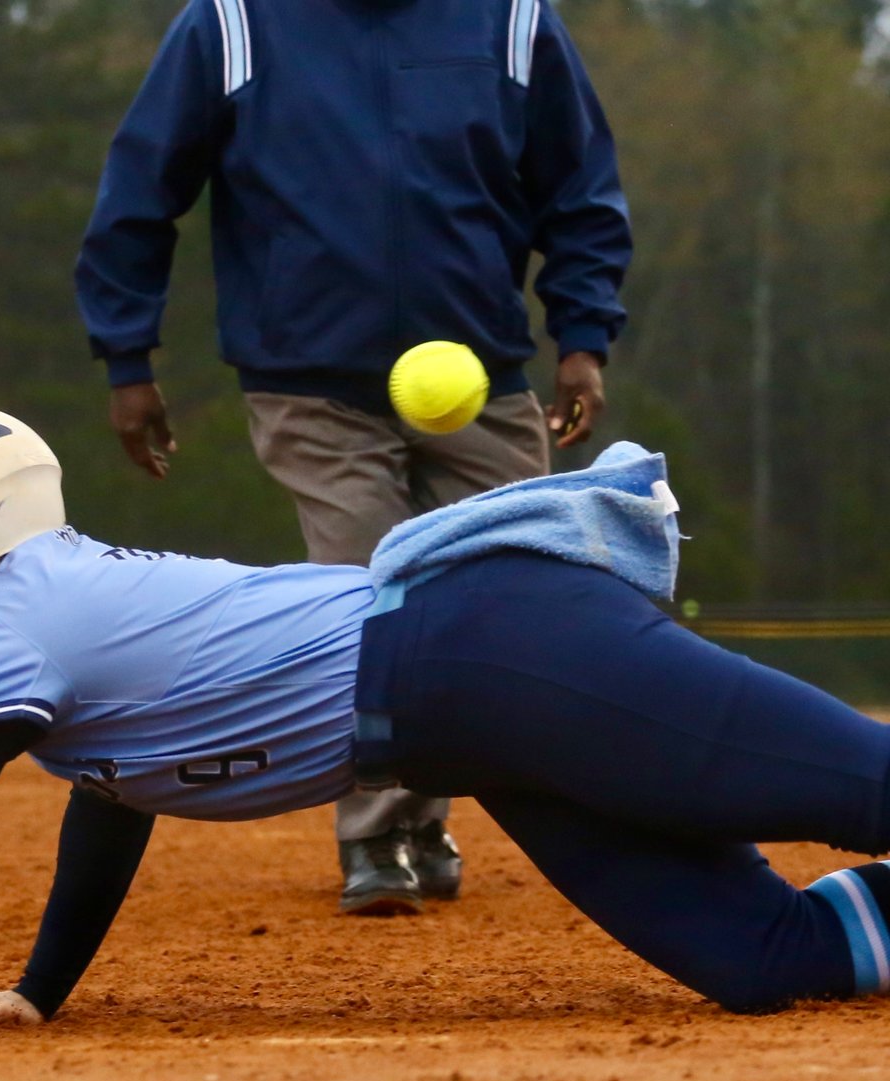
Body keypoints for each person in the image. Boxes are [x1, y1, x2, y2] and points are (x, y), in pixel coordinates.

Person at [0, 407, 890, 1042]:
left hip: (501, 652)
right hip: (478, 720)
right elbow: (114, 793)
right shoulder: (43, 623)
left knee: (865, 785)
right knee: (764, 956)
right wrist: (43, 993)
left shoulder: (7, 621)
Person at [74, 0, 632, 915]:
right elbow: (141, 188)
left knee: (504, 599)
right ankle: (377, 832)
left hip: (479, 376)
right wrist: (126, 356)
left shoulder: (514, 21)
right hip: (309, 382)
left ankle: (425, 813)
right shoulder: (233, 23)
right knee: (370, 598)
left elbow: (579, 188)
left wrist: (582, 337)